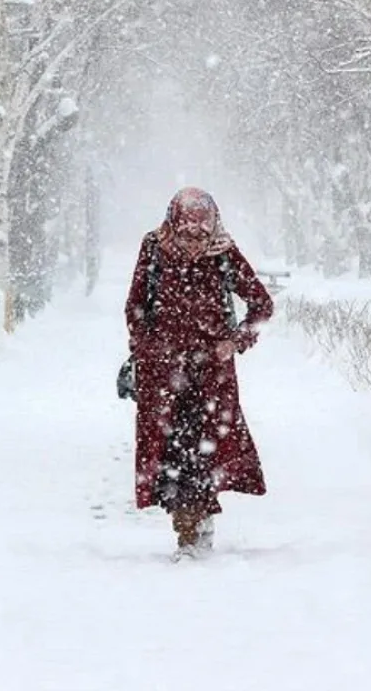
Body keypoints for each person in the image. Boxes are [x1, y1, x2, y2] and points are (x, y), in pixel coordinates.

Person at [124, 187, 274, 559]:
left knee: (204, 451)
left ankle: (196, 528)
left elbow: (261, 306)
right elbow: (135, 306)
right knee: (171, 454)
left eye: (200, 234)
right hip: (163, 375)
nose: (193, 242)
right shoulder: (154, 248)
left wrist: (234, 342)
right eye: (186, 232)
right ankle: (187, 529)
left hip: (212, 376)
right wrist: (147, 349)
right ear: (173, 223)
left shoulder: (223, 253)